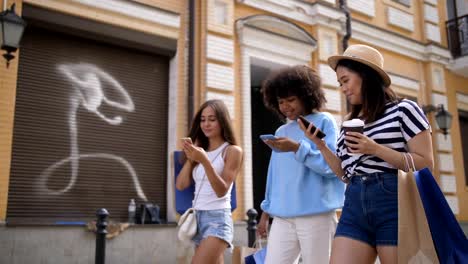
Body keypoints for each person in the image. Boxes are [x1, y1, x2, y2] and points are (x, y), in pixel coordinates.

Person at [298, 44, 434, 264]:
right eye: (340, 83)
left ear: (366, 75)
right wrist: (320, 145)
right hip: (354, 201)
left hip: (394, 201)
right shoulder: (349, 124)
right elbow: (344, 174)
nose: (343, 88)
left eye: (345, 80)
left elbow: (425, 162)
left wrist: (375, 149)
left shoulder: (404, 109)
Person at [257, 65, 345, 263]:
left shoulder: (324, 121)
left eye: (291, 100)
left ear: (306, 96)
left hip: (317, 214)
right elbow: (275, 177)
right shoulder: (280, 132)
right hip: (282, 216)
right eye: (280, 101)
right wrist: (266, 212)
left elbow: (332, 168)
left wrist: (298, 148)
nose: (285, 106)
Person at [175, 99, 243, 263]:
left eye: (212, 119)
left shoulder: (232, 151)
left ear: (222, 121)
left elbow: (222, 190)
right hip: (198, 218)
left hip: (217, 219)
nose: (206, 124)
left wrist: (205, 161)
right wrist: (192, 158)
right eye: (203, 119)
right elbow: (181, 185)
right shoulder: (200, 152)